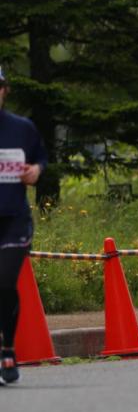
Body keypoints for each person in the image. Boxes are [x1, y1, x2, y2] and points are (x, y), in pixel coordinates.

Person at [0, 67, 47, 385]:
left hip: (14, 219)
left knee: (4, 282)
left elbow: (40, 159)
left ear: (5, 91)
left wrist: (36, 171)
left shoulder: (22, 128)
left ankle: (7, 351)